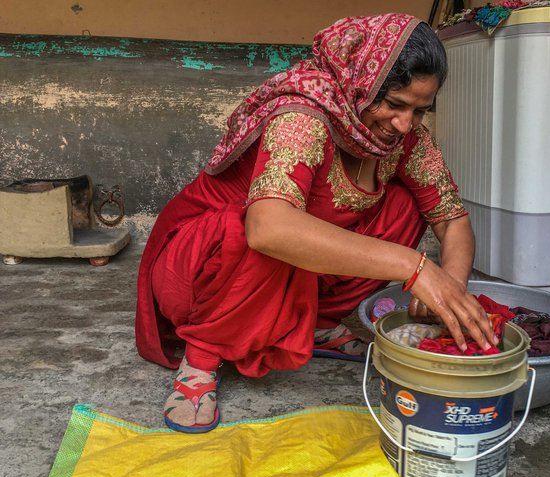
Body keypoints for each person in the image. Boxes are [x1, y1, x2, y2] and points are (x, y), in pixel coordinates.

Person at [135, 13, 498, 434]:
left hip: (284, 271)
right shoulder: (304, 115)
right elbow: (267, 229)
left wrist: (448, 292)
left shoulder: (406, 139)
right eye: (395, 104)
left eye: (420, 110)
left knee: (403, 204)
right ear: (359, 84)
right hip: (198, 272)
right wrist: (414, 268)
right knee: (258, 225)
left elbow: (452, 220)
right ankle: (201, 357)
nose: (404, 123)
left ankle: (317, 323)